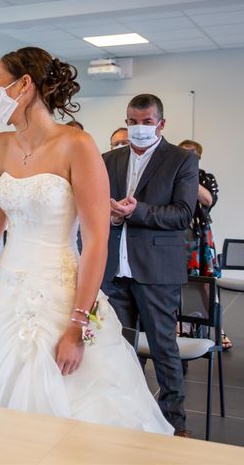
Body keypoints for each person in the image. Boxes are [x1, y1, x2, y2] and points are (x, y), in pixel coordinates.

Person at [0, 46, 173, 435]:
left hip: (60, 296)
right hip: (4, 293)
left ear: (23, 85)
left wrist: (77, 325)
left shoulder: (77, 145)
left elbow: (96, 242)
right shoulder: (3, 147)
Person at [101, 94, 199, 437]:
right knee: (118, 349)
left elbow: (183, 214)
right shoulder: (109, 159)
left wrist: (136, 211)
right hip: (115, 269)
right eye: (132, 122)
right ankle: (127, 416)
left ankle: (175, 423)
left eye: (145, 122)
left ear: (161, 123)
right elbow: (98, 207)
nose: (138, 128)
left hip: (156, 270)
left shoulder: (181, 160)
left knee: (163, 348)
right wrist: (112, 217)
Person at [179, 139, 230, 349]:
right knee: (176, 283)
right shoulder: (173, 175)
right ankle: (179, 326)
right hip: (177, 235)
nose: (186, 158)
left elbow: (208, 200)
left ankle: (220, 330)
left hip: (199, 237)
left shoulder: (205, 178)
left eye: (190, 155)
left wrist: (189, 175)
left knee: (206, 284)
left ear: (198, 157)